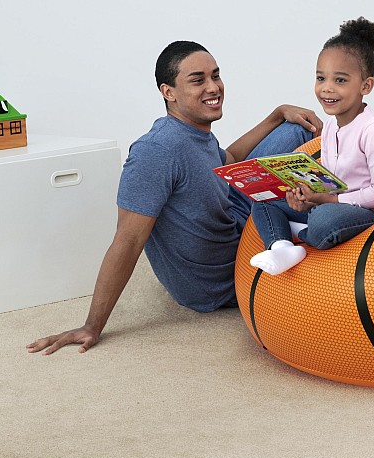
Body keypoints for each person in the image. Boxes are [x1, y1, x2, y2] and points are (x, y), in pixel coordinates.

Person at [26, 41, 323, 355]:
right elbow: (127, 240)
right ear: (168, 92)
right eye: (198, 80)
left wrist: (277, 115)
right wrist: (92, 325)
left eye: (215, 76)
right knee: (308, 201)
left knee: (295, 129)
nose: (213, 87)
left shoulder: (194, 131)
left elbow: (230, 159)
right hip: (220, 275)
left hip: (229, 215)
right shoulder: (157, 151)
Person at [249, 17, 374, 276]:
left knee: (325, 221)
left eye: (340, 80)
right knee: (264, 200)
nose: (327, 88)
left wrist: (328, 201)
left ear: (366, 85)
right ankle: (281, 246)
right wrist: (306, 197)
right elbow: (332, 180)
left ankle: (300, 232)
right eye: (321, 78)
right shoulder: (332, 125)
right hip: (336, 203)